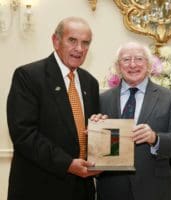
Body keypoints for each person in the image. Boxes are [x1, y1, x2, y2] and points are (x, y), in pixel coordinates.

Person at [6, 17, 101, 200]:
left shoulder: (90, 83)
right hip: (40, 188)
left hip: (82, 190)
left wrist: (100, 132)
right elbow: (23, 134)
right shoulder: (28, 76)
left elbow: (87, 132)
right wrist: (67, 164)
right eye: (72, 40)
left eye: (85, 43)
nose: (79, 49)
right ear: (56, 41)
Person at [94, 41, 171, 200]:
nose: (133, 64)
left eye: (139, 59)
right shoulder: (102, 99)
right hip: (112, 189)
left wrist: (155, 138)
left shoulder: (169, 98)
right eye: (126, 60)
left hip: (155, 190)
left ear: (148, 65)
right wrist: (95, 129)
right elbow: (96, 147)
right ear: (118, 67)